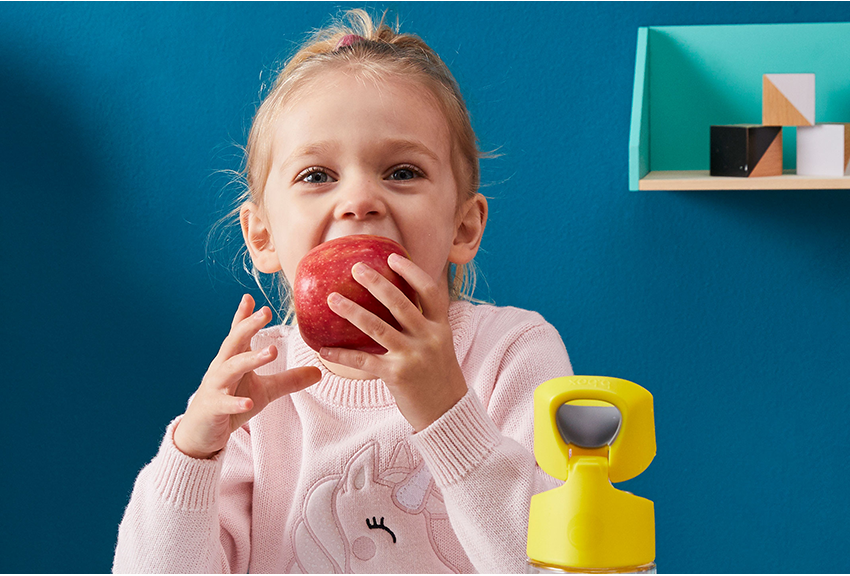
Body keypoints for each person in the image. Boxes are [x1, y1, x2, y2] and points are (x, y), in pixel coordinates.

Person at [113, 9, 573, 573]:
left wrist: (447, 410)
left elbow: (564, 564)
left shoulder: (512, 353)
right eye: (317, 176)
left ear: (464, 226)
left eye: (402, 172)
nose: (359, 201)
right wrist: (193, 454)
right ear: (262, 236)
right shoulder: (257, 386)